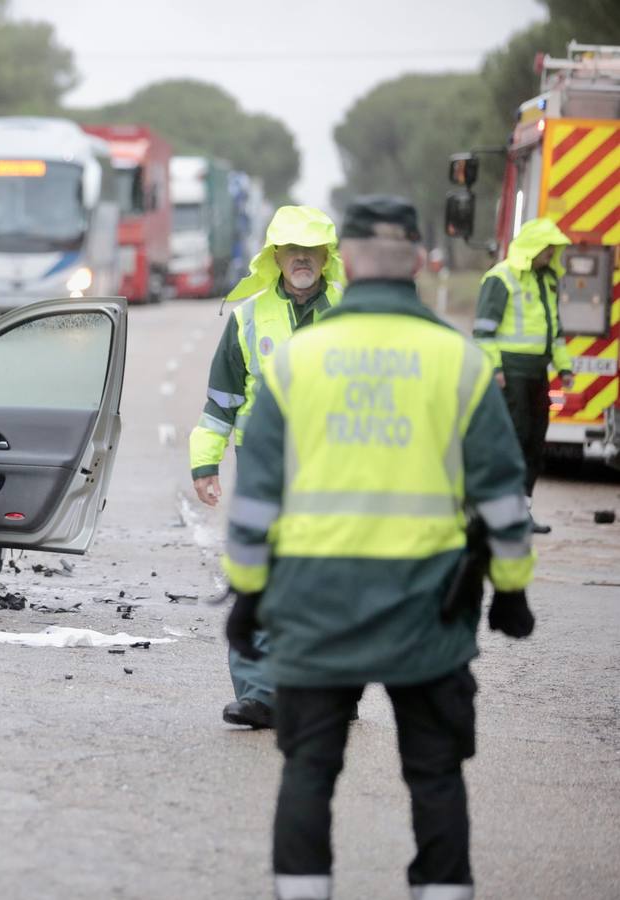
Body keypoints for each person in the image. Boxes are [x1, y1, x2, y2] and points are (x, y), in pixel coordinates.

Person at [222, 196, 536, 900]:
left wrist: (247, 592)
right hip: (432, 607)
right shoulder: (456, 361)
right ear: (422, 261)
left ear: (348, 262)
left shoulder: (298, 361)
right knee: (435, 773)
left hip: (313, 604)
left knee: (308, 769)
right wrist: (511, 589)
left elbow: (255, 500)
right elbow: (503, 495)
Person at [188, 205, 346, 730]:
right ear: (275, 256)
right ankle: (257, 694)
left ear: (326, 257)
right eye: (292, 250)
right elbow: (221, 402)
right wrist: (205, 462)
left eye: (312, 250)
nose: (302, 259)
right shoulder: (249, 317)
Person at [472, 218, 573, 534]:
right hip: (511, 373)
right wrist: (496, 369)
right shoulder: (501, 278)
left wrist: (564, 366)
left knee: (534, 443)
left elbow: (554, 331)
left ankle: (522, 510)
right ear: (534, 247)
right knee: (513, 441)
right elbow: (484, 330)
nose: (552, 253)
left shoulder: (548, 279)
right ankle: (499, 510)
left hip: (537, 372)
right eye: (548, 248)